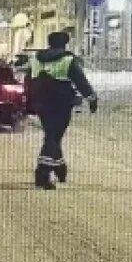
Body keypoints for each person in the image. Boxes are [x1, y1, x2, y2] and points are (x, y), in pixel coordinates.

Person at [26, 31, 98, 190]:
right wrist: (91, 98)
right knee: (53, 136)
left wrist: (29, 101)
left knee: (52, 135)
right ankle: (43, 173)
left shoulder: (36, 59)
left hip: (41, 103)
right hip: (61, 103)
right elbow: (80, 81)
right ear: (64, 43)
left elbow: (28, 81)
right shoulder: (68, 60)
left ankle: (59, 167)